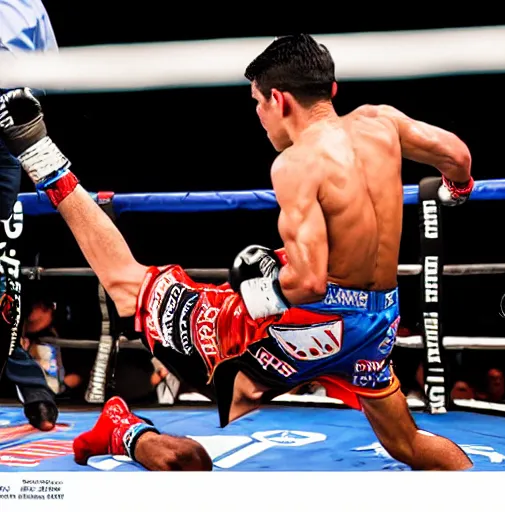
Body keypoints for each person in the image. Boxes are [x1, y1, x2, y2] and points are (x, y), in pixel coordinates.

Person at [0, 33, 475, 471]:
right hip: (377, 323)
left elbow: (307, 283)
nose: (259, 116)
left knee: (130, 286)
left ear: (279, 99)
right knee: (408, 443)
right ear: (330, 90)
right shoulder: (383, 121)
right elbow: (457, 155)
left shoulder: (296, 163)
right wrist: (457, 190)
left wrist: (260, 289)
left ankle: (37, 151)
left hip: (312, 323)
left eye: (257, 104)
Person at [0, 0, 59, 431]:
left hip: (7, 121)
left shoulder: (28, 4)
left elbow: (55, 72)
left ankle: (29, 382)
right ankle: (30, 383)